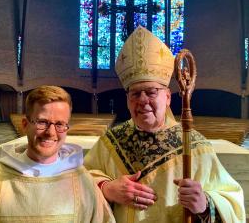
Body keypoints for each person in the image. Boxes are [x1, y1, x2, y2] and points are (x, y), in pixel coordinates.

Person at [84, 26, 246, 223]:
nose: (142, 100)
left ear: (168, 97)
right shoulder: (111, 142)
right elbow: (82, 181)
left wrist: (204, 204)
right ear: (127, 100)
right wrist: (107, 189)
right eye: (135, 93)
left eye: (151, 92)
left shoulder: (195, 146)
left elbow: (232, 201)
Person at [0, 85, 115, 223]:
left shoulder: (83, 183)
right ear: (25, 125)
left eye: (59, 124)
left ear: (67, 129)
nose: (51, 133)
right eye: (42, 122)